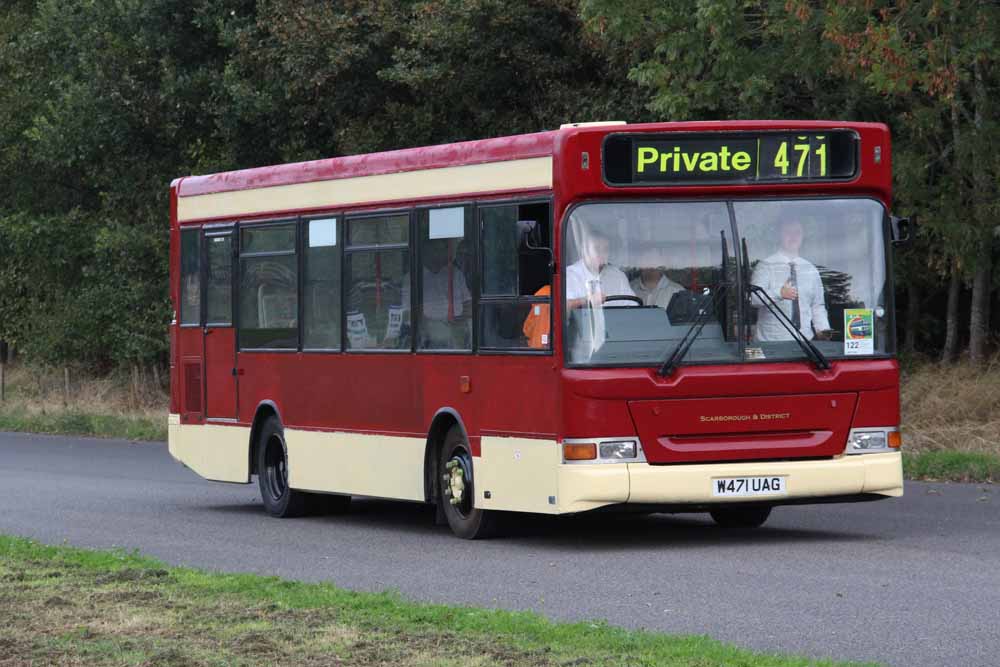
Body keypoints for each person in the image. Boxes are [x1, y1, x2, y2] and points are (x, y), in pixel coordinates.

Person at [751, 218, 831, 341]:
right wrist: (779, 293)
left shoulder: (810, 269)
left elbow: (817, 306)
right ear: (779, 236)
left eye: (797, 232)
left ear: (803, 236)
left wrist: (823, 330)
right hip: (771, 345)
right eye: (788, 232)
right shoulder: (765, 266)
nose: (793, 237)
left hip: (806, 345)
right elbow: (753, 299)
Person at [565, 226, 636, 309]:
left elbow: (633, 306)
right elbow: (563, 307)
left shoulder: (618, 276)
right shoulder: (570, 275)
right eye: (596, 248)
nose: (601, 253)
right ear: (584, 250)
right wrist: (587, 301)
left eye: (605, 249)